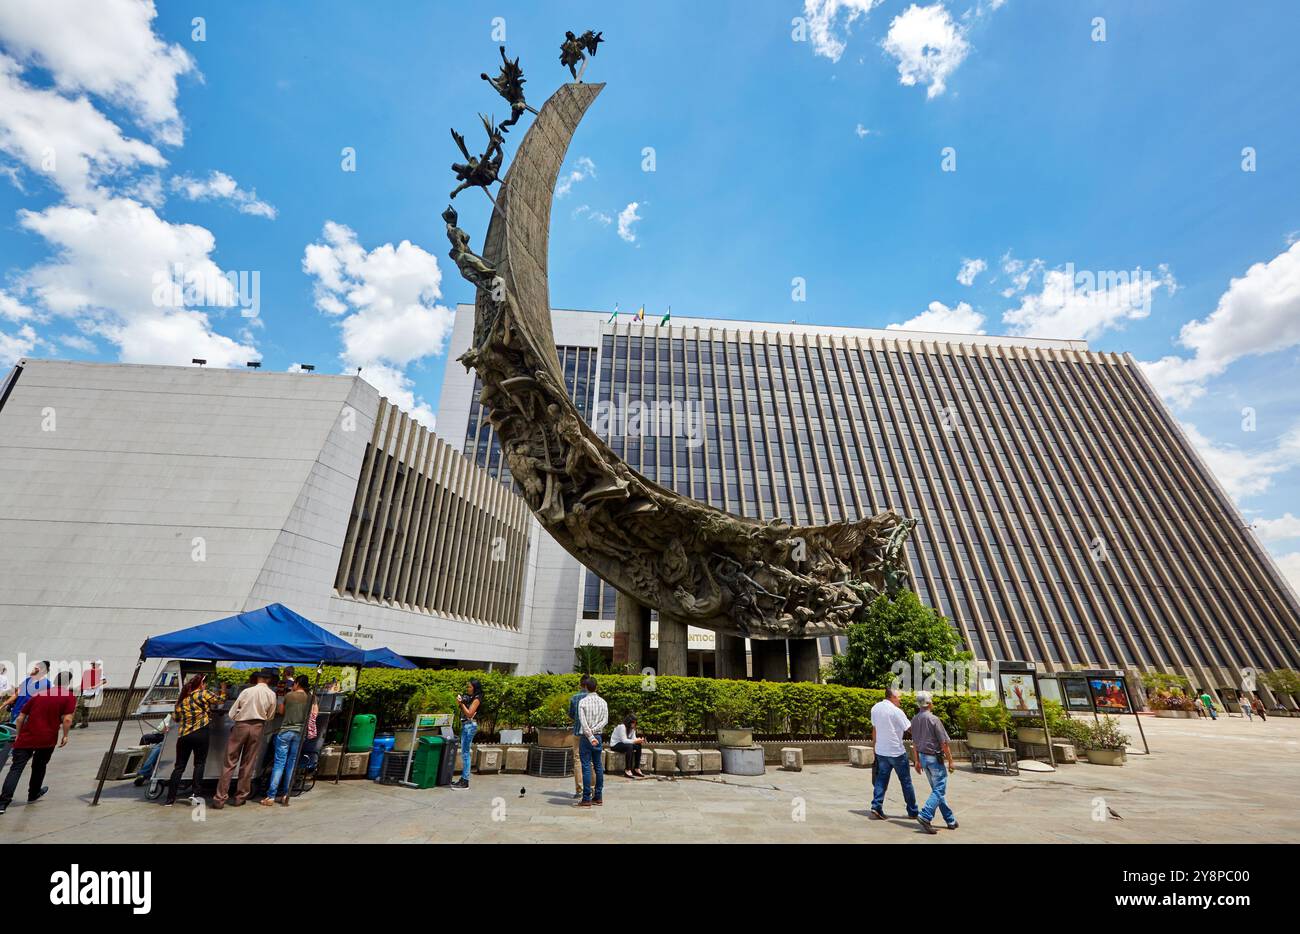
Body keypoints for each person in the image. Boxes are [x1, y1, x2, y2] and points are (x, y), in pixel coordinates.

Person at [0, 670, 76, 815]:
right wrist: (65, 736)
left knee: (16, 769)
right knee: (39, 766)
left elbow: (21, 717)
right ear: (68, 683)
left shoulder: (38, 695)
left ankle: (3, 803)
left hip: (27, 737)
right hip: (47, 738)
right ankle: (33, 793)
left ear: (54, 681)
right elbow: (67, 719)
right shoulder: (69, 696)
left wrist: (19, 735)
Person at [212, 668, 277, 809]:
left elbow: (231, 712)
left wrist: (239, 719)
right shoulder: (271, 694)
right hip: (258, 727)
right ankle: (240, 797)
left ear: (258, 678)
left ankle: (220, 798)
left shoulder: (247, 691)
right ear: (269, 680)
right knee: (248, 763)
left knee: (229, 762)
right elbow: (270, 716)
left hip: (241, 726)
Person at [165, 674, 221, 806]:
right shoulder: (203, 694)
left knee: (179, 767)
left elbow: (176, 718)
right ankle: (195, 793)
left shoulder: (182, 699)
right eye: (205, 683)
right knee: (199, 763)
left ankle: (170, 798)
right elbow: (220, 700)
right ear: (201, 684)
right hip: (201, 733)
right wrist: (223, 689)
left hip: (184, 736)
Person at [909, 691, 957, 833]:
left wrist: (917, 761)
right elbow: (944, 743)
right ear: (929, 703)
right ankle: (925, 815)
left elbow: (915, 743)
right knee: (939, 789)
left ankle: (950, 820)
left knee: (937, 791)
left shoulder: (914, 719)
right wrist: (951, 761)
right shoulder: (934, 719)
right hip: (934, 758)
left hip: (923, 758)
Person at [869, 685, 917, 821]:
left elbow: (875, 729)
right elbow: (910, 728)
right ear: (893, 697)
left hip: (881, 751)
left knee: (881, 780)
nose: (901, 699)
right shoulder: (897, 711)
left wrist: (875, 746)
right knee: (906, 781)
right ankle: (912, 811)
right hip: (896, 752)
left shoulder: (875, 708)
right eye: (899, 696)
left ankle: (876, 807)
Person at [263, 675, 312, 806]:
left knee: (279, 763)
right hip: (300, 733)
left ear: (297, 684)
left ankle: (271, 796)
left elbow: (281, 711)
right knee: (292, 763)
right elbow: (314, 713)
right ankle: (286, 794)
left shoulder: (289, 695)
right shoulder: (311, 697)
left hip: (285, 731)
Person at [575, 676, 609, 807]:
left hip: (586, 738)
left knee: (586, 767)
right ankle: (598, 796)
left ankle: (586, 798)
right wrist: (595, 734)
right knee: (598, 766)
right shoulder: (603, 702)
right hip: (598, 736)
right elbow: (605, 721)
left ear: (585, 687)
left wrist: (590, 736)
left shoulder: (582, 702)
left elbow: (583, 723)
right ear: (597, 687)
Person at [451, 679, 483, 790]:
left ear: (474, 687)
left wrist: (461, 704)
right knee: (465, 753)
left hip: (469, 726)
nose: (468, 689)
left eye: (469, 687)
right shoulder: (471, 697)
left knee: (465, 754)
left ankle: (465, 781)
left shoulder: (477, 698)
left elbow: (469, 714)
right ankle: (463, 779)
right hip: (467, 726)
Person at [567, 675, 592, 797]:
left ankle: (579, 789)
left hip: (577, 732)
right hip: (591, 733)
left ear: (580, 684)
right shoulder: (594, 698)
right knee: (590, 760)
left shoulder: (574, 697)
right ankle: (592, 787)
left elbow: (571, 714)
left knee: (577, 760)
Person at [74, 662, 107, 729]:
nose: (93, 665)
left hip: (90, 693)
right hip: (85, 691)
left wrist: (95, 686)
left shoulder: (99, 672)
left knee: (79, 707)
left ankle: (72, 723)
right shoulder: (90, 672)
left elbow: (104, 681)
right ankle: (85, 723)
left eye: (94, 664)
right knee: (85, 708)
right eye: (92, 664)